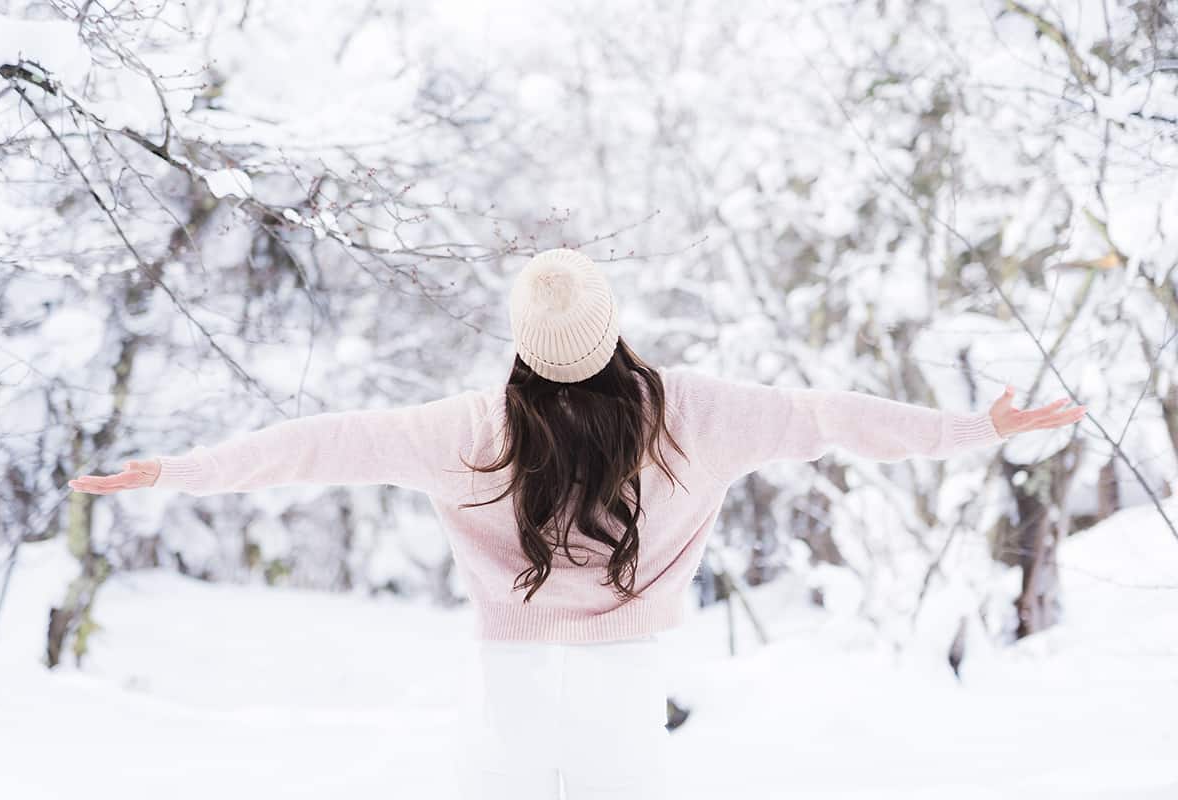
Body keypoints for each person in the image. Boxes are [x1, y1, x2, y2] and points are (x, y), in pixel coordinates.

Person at [69, 247, 1087, 799]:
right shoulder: (693, 409)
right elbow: (830, 418)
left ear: (522, 343)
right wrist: (974, 425)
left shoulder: (465, 428)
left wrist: (178, 471)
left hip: (507, 685)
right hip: (626, 679)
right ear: (611, 330)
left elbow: (321, 441)